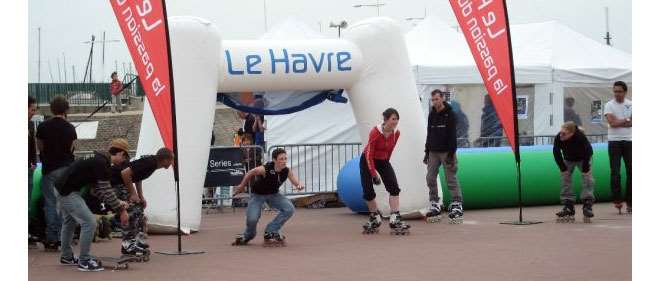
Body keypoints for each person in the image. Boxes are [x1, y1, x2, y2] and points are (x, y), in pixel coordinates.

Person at [54, 139, 131, 272]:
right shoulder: (102, 163)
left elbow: (95, 191)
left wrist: (117, 202)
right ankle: (84, 261)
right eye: (124, 158)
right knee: (89, 222)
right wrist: (120, 208)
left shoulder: (97, 159)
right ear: (120, 153)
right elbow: (106, 191)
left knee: (69, 221)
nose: (123, 162)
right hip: (68, 192)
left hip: (62, 188)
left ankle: (66, 256)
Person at [231, 148, 303, 246]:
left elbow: (295, 181)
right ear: (274, 160)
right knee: (252, 219)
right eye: (281, 159)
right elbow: (250, 173)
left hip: (274, 195)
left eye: (285, 159)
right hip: (258, 195)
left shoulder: (286, 171)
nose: (284, 161)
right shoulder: (265, 169)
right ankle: (247, 235)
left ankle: (270, 231)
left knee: (289, 209)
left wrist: (299, 185)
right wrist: (241, 186)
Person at [111, 147, 174, 257]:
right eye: (171, 159)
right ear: (164, 159)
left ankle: (137, 240)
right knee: (131, 210)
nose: (172, 162)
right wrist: (133, 193)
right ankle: (127, 245)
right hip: (115, 182)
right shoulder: (150, 163)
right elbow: (125, 173)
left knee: (138, 208)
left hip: (122, 183)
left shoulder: (152, 164)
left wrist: (140, 196)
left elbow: (137, 176)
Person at [359, 108, 410, 235]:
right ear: (386, 119)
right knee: (368, 191)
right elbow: (369, 154)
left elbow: (390, 150)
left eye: (397, 119)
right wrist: (373, 174)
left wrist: (386, 167)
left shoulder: (396, 133)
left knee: (394, 187)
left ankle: (395, 217)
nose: (395, 121)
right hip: (367, 160)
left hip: (383, 160)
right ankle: (374, 217)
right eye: (393, 119)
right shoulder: (375, 132)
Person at [36, 96, 77, 251]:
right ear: (66, 110)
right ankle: (64, 237)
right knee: (66, 205)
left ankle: (52, 238)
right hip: (66, 170)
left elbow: (41, 147)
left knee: (50, 204)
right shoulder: (70, 128)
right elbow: (72, 149)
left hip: (49, 170)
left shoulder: (43, 127)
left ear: (51, 109)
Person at [424, 90, 464, 224]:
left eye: (436, 99)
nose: (434, 102)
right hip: (433, 151)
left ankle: (457, 204)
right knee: (430, 177)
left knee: (450, 178)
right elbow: (429, 133)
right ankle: (434, 203)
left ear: (442, 99)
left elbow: (453, 136)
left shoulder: (450, 114)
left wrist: (451, 154)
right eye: (433, 100)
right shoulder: (431, 114)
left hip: (447, 151)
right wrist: (426, 152)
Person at [553, 122, 595, 223]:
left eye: (564, 134)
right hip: (568, 159)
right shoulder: (558, 137)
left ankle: (587, 203)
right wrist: (563, 168)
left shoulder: (580, 137)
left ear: (572, 133)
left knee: (587, 178)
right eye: (561, 132)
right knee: (565, 179)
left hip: (583, 159)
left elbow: (589, 152)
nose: (561, 135)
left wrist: (585, 168)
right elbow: (556, 152)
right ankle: (568, 205)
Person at [604, 81, 632, 214]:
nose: (617, 94)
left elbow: (633, 122)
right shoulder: (609, 105)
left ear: (625, 92)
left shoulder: (631, 104)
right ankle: (617, 199)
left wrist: (620, 121)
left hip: (629, 141)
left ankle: (631, 201)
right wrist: (626, 120)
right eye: (615, 91)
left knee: (631, 172)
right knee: (615, 172)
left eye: (619, 91)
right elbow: (612, 123)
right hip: (614, 141)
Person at [28, 96, 38, 245]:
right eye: (31, 109)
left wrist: (34, 162)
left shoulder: (30, 125)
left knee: (28, 201)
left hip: (27, 167)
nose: (33, 113)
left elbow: (32, 145)